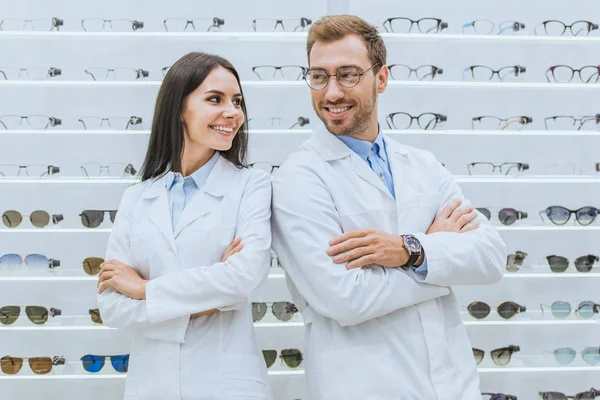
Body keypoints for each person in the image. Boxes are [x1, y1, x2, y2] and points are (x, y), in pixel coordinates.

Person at [271, 15, 506, 400]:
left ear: (381, 79)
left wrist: (408, 251)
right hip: (363, 387)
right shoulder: (298, 180)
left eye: (347, 75)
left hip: (453, 385)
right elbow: (346, 299)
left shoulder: (423, 165)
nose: (331, 93)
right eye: (319, 76)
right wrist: (432, 253)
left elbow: (492, 257)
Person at [96, 52, 273, 400]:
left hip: (227, 385)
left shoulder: (252, 185)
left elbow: (241, 278)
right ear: (179, 107)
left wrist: (145, 290)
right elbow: (112, 306)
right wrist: (210, 299)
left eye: (237, 101)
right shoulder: (137, 199)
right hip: (151, 385)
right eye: (214, 99)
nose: (232, 112)